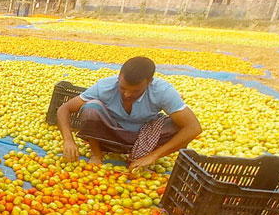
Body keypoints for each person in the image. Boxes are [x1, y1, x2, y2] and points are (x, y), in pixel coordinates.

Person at [57, 56, 202, 169]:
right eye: (123, 88)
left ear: (149, 81)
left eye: (136, 91)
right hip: (109, 135)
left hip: (144, 136)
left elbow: (194, 127)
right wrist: (69, 140)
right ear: (119, 76)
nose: (127, 94)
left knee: (179, 125)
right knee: (91, 108)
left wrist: (153, 157)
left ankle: (140, 155)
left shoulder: (162, 91)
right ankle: (96, 153)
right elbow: (64, 109)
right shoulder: (105, 86)